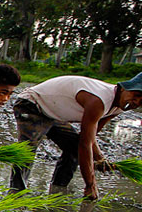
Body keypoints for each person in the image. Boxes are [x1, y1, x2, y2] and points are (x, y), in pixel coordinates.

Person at [10, 71, 142, 200]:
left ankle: (57, 190)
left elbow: (90, 137)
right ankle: (16, 195)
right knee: (27, 148)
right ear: (124, 88)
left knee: (74, 148)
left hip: (53, 113)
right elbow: (85, 145)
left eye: (141, 101)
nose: (136, 102)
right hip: (32, 104)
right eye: (136, 95)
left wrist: (100, 158)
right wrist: (90, 184)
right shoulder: (99, 100)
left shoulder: (119, 106)